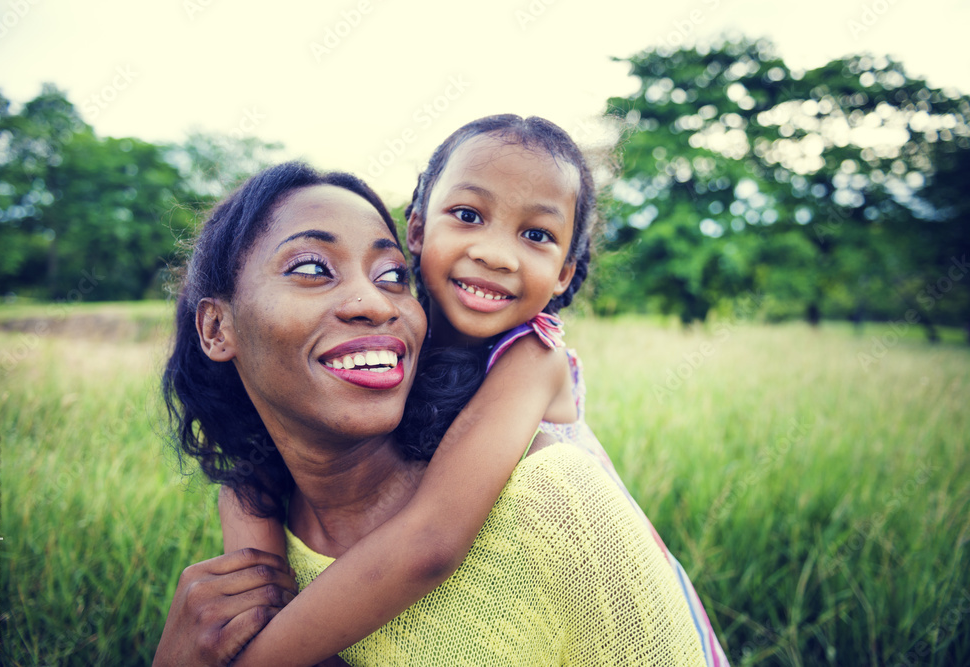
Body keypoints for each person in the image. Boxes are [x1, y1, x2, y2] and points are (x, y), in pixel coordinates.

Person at [155, 156, 719, 666]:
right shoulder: (259, 491)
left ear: (565, 271)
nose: (376, 302)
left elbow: (429, 542)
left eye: (390, 276)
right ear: (216, 326)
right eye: (312, 268)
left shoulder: (538, 400)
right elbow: (263, 606)